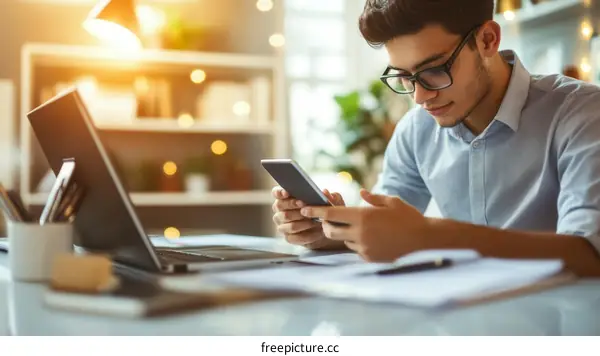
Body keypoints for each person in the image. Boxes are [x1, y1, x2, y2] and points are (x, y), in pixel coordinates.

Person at [271, 0, 600, 276]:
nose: (419, 96)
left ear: (487, 40)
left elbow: (590, 254)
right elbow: (390, 231)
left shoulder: (582, 113)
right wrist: (332, 231)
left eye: (433, 70)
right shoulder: (416, 130)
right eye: (404, 76)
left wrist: (431, 236)